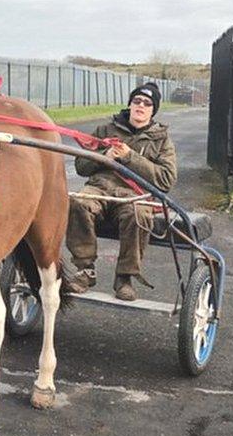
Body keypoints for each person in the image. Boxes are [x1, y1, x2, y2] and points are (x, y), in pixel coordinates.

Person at [65, 82, 177, 300]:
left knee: (139, 215)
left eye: (147, 103)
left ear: (153, 110)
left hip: (135, 195)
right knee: (79, 202)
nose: (141, 106)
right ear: (130, 104)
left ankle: (124, 278)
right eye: (137, 101)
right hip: (100, 189)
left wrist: (129, 158)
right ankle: (85, 270)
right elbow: (81, 167)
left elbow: (166, 180)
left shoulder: (161, 140)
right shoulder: (106, 130)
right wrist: (104, 157)